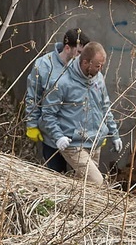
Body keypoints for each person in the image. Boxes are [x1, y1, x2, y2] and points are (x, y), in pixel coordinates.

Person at [39, 42, 122, 186]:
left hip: (94, 140)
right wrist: (58, 136)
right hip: (74, 143)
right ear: (85, 62)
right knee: (96, 181)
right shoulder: (62, 82)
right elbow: (48, 113)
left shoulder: (98, 78)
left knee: (85, 187)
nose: (101, 69)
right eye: (97, 66)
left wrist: (114, 133)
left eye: (102, 65)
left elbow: (105, 106)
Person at [24, 28, 89, 173]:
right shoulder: (44, 65)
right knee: (55, 175)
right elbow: (33, 96)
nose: (81, 57)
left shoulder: (82, 68)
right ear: (67, 48)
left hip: (76, 137)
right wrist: (32, 124)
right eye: (79, 52)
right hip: (51, 135)